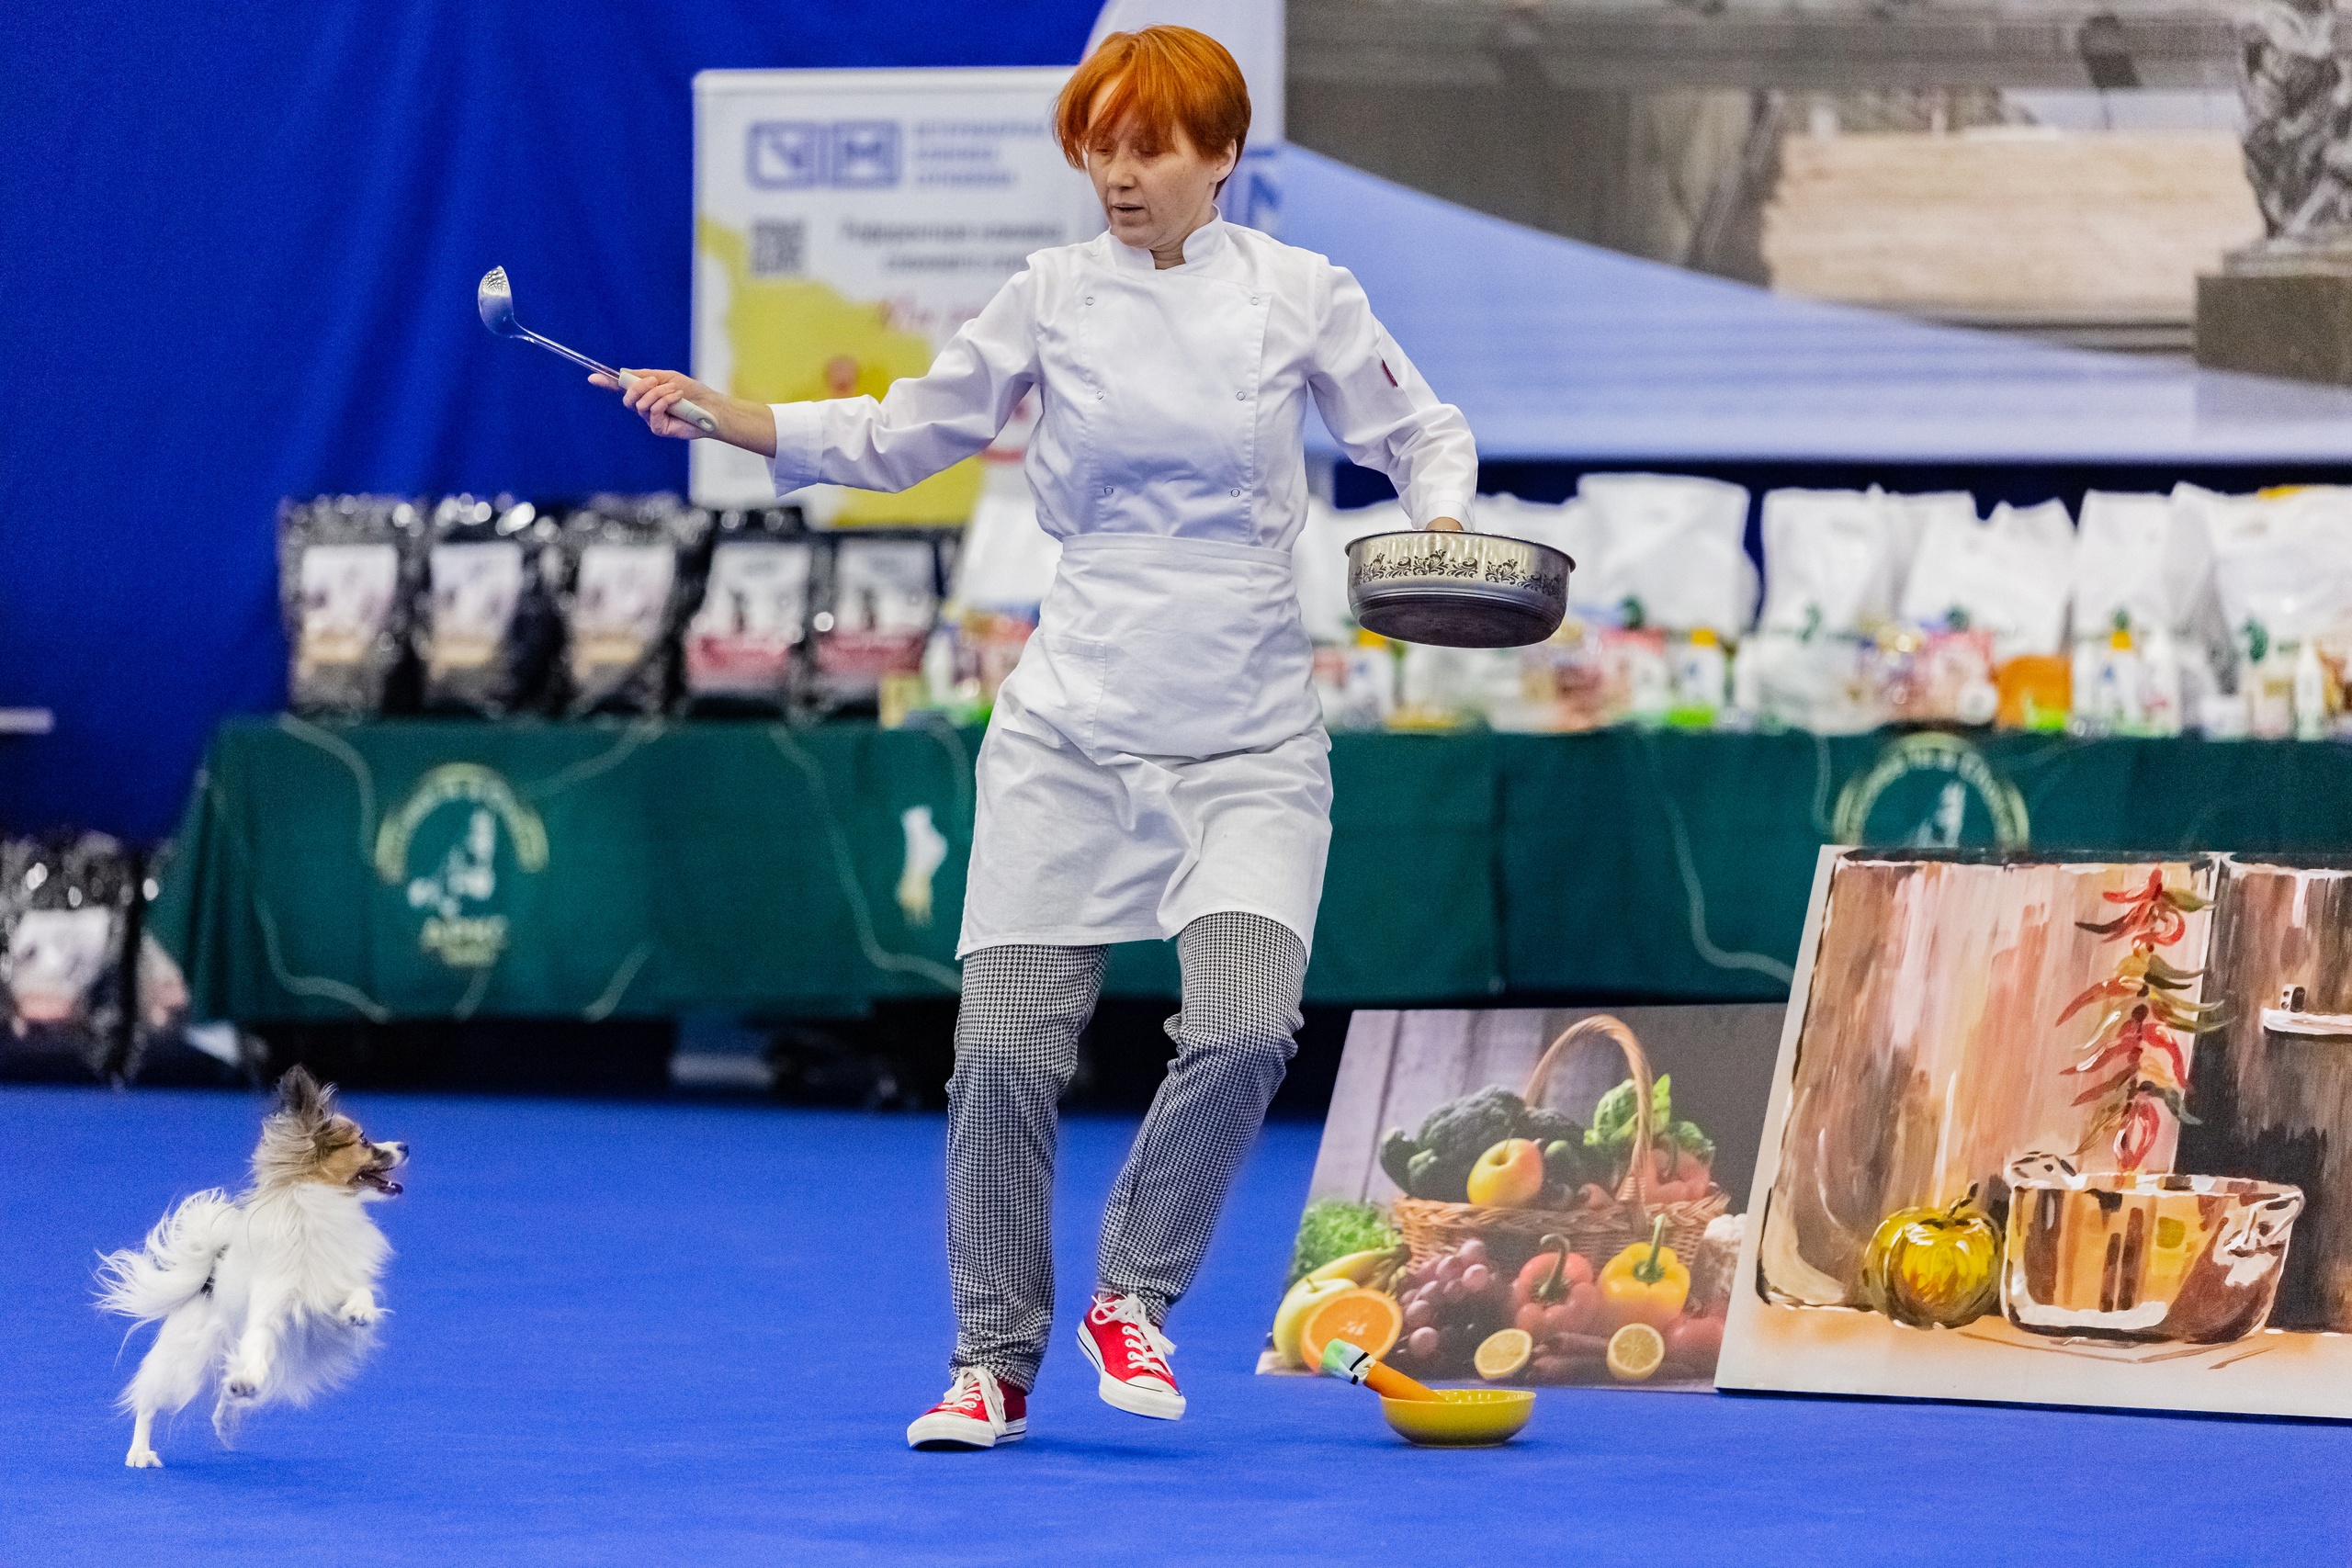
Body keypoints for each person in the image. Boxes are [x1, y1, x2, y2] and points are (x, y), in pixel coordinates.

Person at [601, 25, 1476, 1450]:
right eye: (1100, 147)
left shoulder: (1306, 294)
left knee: (1250, 1030)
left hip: (1248, 733)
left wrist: (1438, 522)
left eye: (1152, 149)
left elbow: (1422, 433)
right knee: (1003, 1057)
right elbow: (904, 433)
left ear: (1224, 159)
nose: (1119, 177)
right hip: (1071, 728)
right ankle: (990, 1363)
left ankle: (1135, 1292)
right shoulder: (1049, 295)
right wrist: (736, 414)